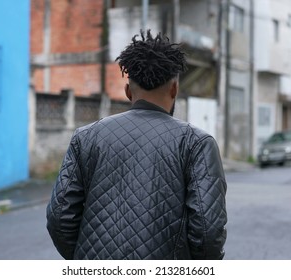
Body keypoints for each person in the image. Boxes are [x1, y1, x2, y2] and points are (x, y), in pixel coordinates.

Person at [46, 30, 227, 260]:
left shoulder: (85, 137)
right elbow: (207, 230)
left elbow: (59, 217)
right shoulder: (197, 144)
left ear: (128, 91)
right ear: (174, 89)